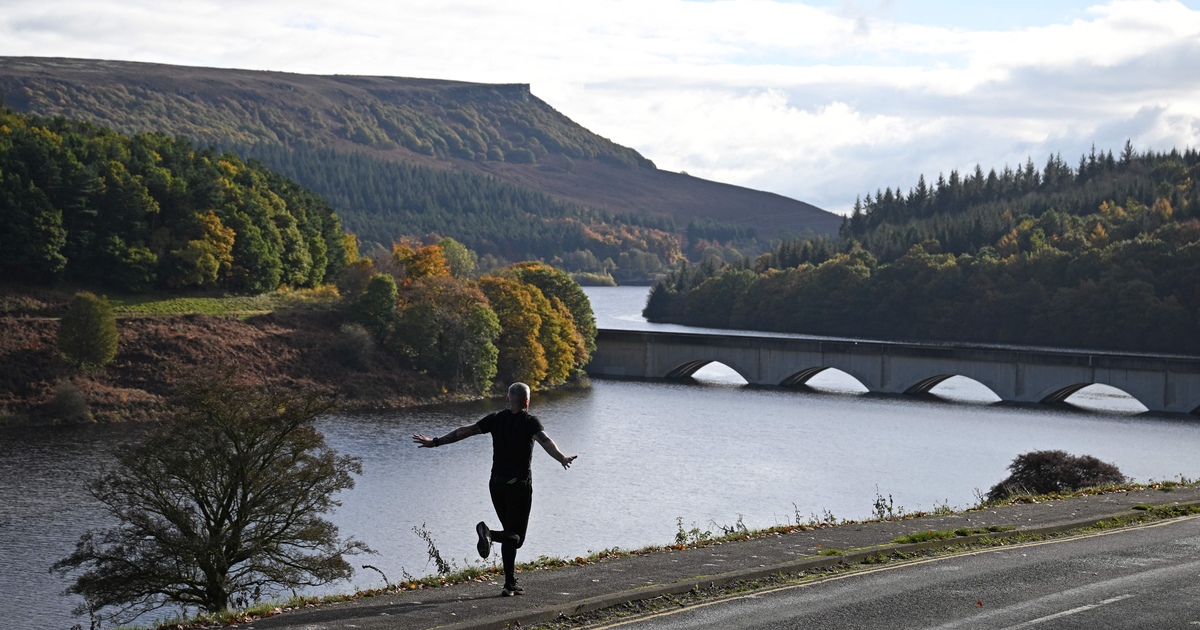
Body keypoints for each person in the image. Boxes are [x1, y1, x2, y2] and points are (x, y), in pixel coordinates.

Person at [412, 382, 576, 596]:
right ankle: (488, 534)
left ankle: (509, 584)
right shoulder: (530, 421)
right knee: (517, 538)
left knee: (509, 531)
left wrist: (435, 442)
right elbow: (545, 441)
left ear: (508, 399)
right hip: (518, 486)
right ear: (527, 401)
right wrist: (561, 457)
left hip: (496, 484)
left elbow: (465, 431)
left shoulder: (496, 419)